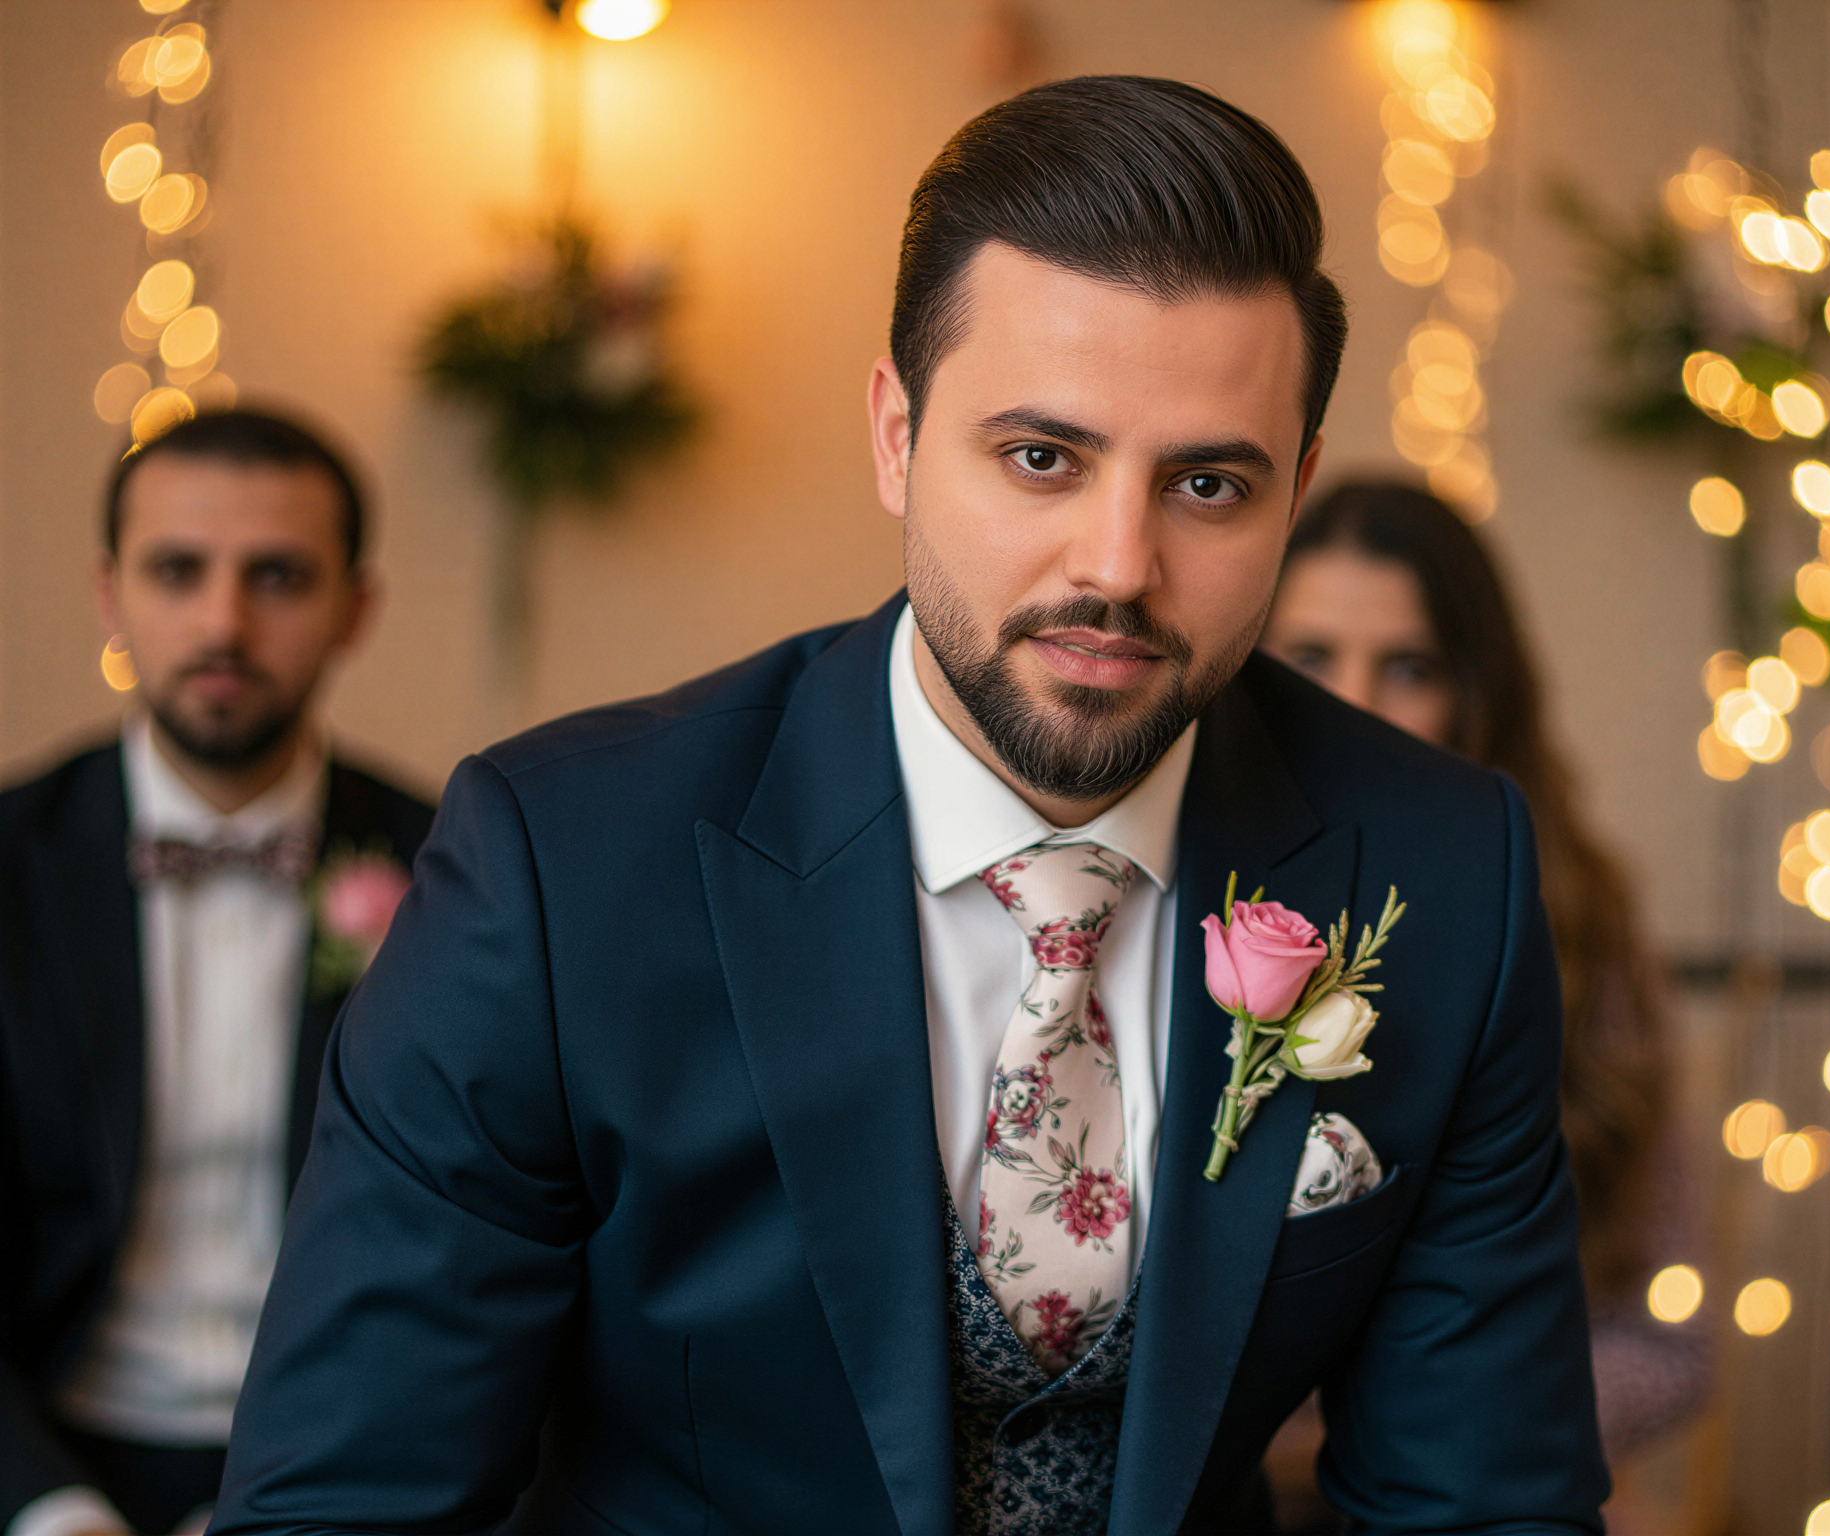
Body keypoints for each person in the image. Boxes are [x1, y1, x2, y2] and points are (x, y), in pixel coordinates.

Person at [210, 78, 1608, 1536]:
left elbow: (1482, 1500)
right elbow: (346, 1503)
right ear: (895, 434)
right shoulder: (561, 868)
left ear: (1297, 491)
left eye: (1208, 484)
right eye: (1042, 458)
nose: (1117, 566)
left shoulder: (1441, 870)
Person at [0, 411, 437, 1536]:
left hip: (341, 1459)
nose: (223, 621)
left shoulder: (459, 871)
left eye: (278, 576)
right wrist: (46, 1513)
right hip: (41, 1448)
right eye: (177, 571)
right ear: (110, 593)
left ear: (356, 608)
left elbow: (480, 1254)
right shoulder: (8, 862)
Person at [1261, 479, 1712, 1488]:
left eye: (1408, 666)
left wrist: (1425, 1434)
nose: (1355, 707)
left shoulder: (1581, 932)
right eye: (1308, 657)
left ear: (1476, 692)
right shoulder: (1187, 914)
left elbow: (1671, 1344)